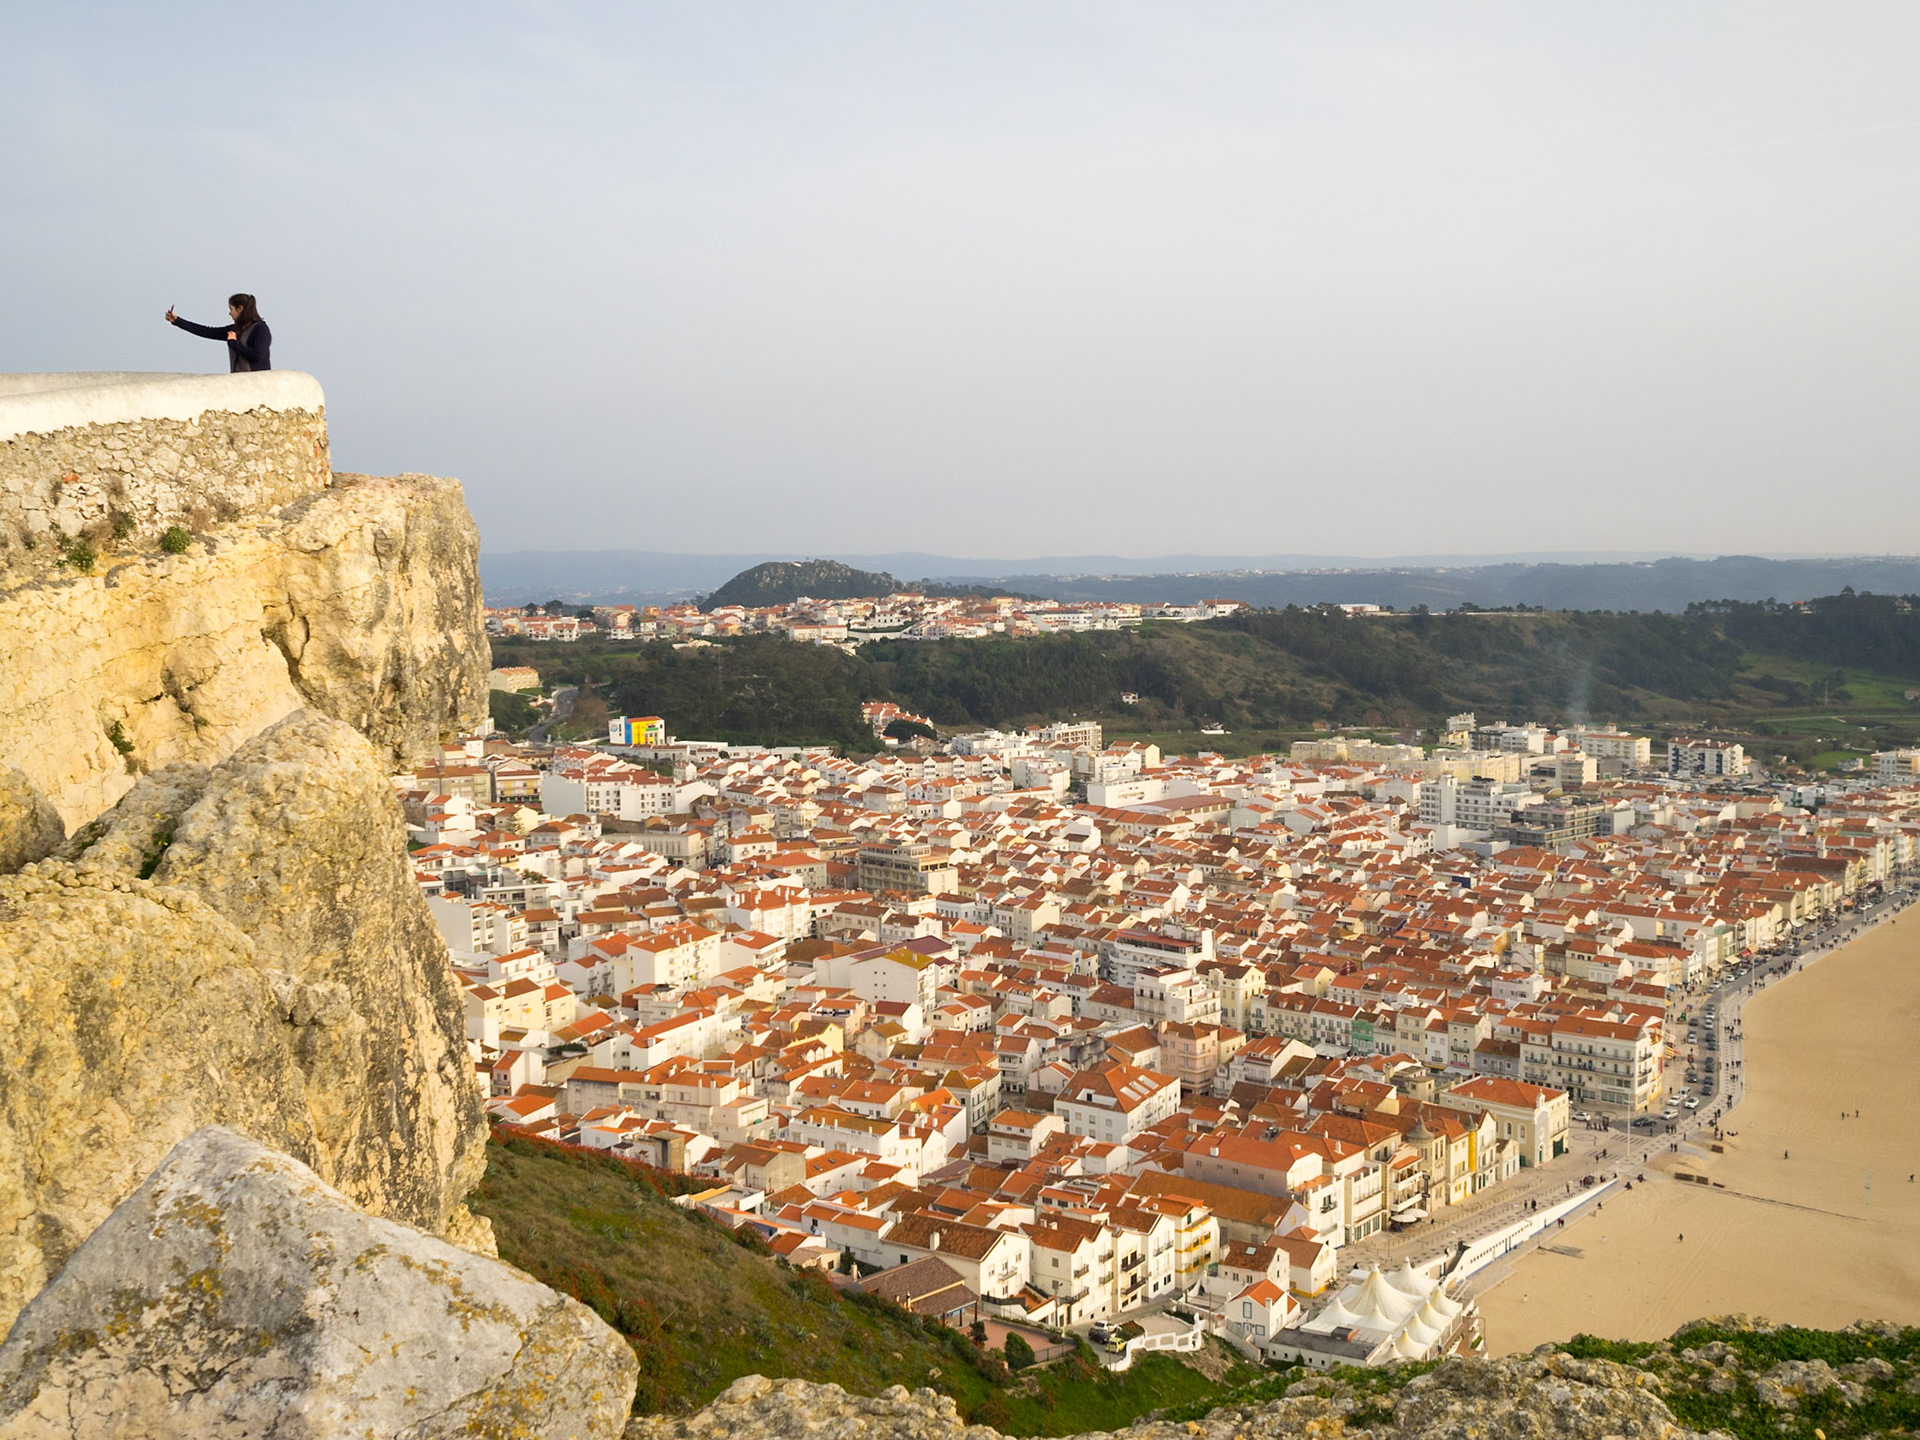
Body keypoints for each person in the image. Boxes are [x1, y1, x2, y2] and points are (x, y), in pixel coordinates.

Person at [165, 293, 271, 372]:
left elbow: (257, 355)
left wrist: (233, 343)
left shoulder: (261, 329)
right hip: (238, 382)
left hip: (256, 384)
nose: (229, 313)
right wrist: (178, 321)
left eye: (231, 309)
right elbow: (207, 331)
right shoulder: (235, 329)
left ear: (240, 309)